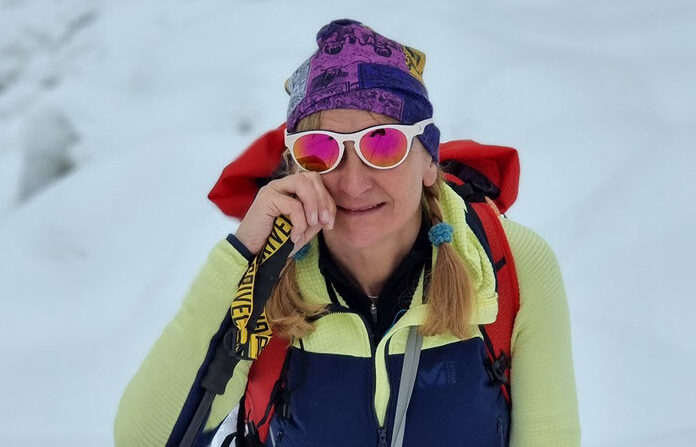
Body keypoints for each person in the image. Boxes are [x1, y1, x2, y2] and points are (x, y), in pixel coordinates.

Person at [114, 18, 580, 446]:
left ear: (428, 161)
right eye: (321, 150)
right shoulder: (265, 281)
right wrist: (243, 257)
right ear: (294, 166)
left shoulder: (507, 265)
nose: (353, 183)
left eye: (384, 143)